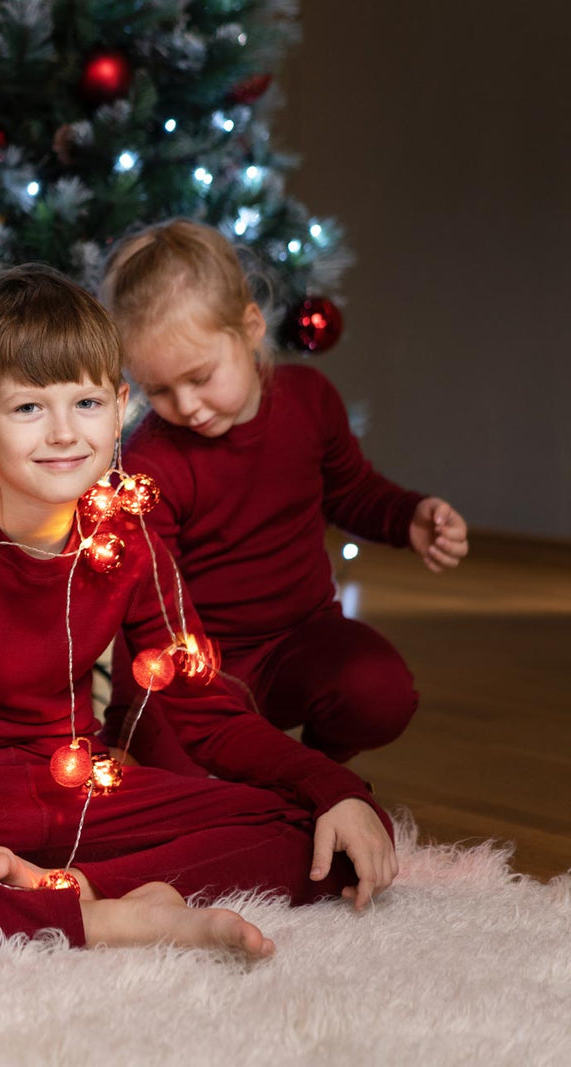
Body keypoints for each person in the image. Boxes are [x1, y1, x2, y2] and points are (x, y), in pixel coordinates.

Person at [0, 264, 397, 985]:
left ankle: (64, 884)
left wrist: (335, 787)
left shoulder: (126, 537)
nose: (62, 434)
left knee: (325, 834)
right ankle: (104, 916)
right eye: (27, 408)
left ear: (119, 408)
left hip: (81, 792)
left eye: (85, 402)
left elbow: (206, 713)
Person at [97, 219, 469, 769]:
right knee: (170, 769)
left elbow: (352, 489)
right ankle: (253, 776)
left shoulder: (309, 401)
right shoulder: (153, 463)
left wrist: (407, 515)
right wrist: (130, 721)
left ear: (249, 327)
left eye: (200, 377)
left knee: (379, 692)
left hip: (303, 640)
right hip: (204, 664)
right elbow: (148, 602)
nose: (188, 405)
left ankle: (316, 775)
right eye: (160, 391)